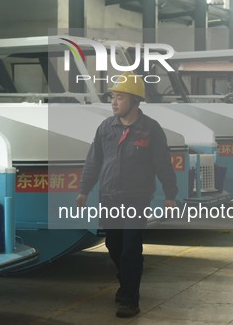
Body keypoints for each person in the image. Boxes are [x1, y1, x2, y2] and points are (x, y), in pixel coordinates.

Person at [76, 72, 178, 318]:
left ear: (134, 101)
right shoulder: (106, 127)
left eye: (119, 97)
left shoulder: (150, 129)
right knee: (114, 244)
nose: (113, 102)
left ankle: (130, 300)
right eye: (113, 97)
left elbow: (163, 164)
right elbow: (94, 160)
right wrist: (84, 190)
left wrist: (170, 195)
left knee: (131, 247)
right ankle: (126, 283)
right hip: (109, 196)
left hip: (136, 198)